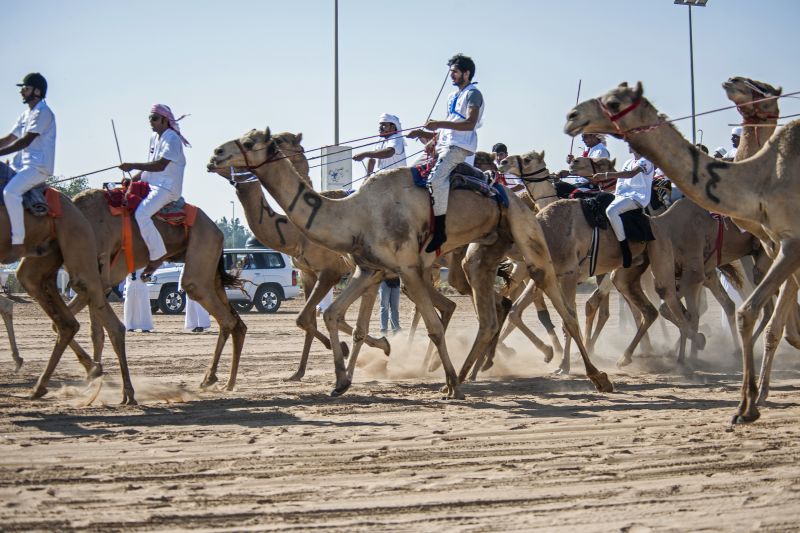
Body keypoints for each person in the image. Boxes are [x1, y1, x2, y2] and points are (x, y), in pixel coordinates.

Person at [408, 53, 484, 253]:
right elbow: (448, 129)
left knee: (434, 180)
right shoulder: (452, 96)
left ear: (466, 73)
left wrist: (438, 124)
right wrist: (426, 135)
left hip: (460, 148)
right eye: (451, 72)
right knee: (411, 173)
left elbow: (469, 124)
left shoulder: (473, 94)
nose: (452, 75)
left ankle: (440, 231)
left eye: (456, 72)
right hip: (443, 145)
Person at [119, 104, 190, 279]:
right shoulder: (154, 137)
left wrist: (132, 165)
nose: (151, 121)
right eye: (149, 118)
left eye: (154, 118)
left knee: (142, 213)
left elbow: (160, 165)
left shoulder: (172, 139)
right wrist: (133, 179)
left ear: (165, 120)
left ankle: (157, 256)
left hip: (167, 188)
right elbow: (149, 167)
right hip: (152, 183)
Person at [0, 73, 56, 263]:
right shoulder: (25, 115)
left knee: (10, 193)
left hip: (38, 168)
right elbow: (9, 139)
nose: (21, 91)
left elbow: (25, 141)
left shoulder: (43, 113)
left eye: (25, 88)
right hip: (20, 167)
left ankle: (18, 243)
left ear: (37, 91)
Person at [592, 148, 654, 268]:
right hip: (621, 196)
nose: (628, 145)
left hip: (637, 197)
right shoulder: (627, 162)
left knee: (611, 211)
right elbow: (621, 184)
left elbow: (630, 174)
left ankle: (625, 249)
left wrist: (605, 175)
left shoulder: (646, 161)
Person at [180, 266, 210, 332]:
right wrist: (181, 287)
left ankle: (202, 325)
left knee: (200, 307)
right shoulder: (187, 262)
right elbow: (183, 274)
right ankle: (193, 325)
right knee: (191, 308)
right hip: (190, 288)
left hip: (199, 287)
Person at [123, 268, 153, 333]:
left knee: (144, 306)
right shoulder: (128, 260)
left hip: (142, 287)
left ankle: (145, 327)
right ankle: (129, 326)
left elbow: (152, 273)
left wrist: (148, 278)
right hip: (130, 286)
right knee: (129, 306)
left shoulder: (145, 261)